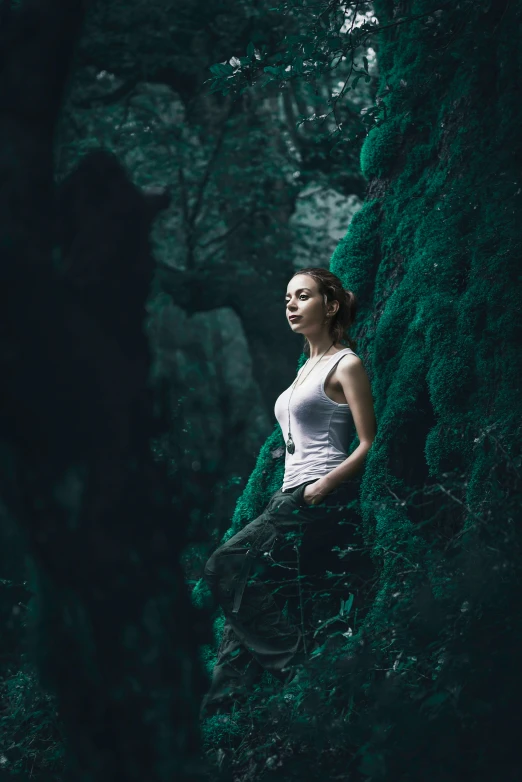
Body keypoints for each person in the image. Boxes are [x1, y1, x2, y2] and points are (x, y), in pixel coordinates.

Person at [200, 267, 376, 718]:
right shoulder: (304, 370)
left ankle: (299, 670)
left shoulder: (345, 363)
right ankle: (224, 705)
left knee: (223, 566)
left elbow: (369, 443)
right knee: (242, 589)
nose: (291, 305)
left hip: (314, 498)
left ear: (330, 306)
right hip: (286, 496)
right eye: (287, 299)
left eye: (302, 296)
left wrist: (322, 486)